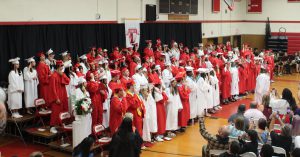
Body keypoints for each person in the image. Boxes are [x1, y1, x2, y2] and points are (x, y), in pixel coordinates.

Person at [48, 60, 70, 134]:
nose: (62, 67)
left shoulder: (62, 74)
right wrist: (56, 98)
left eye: (62, 66)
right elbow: (52, 88)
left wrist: (63, 75)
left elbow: (68, 81)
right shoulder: (53, 76)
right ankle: (52, 126)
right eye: (61, 66)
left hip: (63, 95)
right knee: (55, 112)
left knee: (63, 110)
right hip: (57, 97)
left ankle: (61, 123)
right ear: (57, 67)